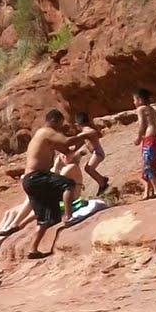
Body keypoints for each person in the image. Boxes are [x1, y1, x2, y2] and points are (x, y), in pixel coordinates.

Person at [19, 110, 82, 259]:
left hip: (31, 180)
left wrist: (81, 140)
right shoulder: (45, 132)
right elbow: (66, 141)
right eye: (60, 124)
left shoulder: (44, 137)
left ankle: (33, 250)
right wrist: (85, 134)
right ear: (54, 120)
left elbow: (68, 151)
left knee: (49, 219)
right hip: (37, 177)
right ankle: (69, 217)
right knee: (68, 184)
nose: (60, 128)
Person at [134, 88, 156, 199]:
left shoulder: (141, 109)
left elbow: (142, 125)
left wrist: (138, 138)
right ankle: (147, 192)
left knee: (148, 166)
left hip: (149, 139)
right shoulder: (151, 109)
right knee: (150, 165)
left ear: (139, 100)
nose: (134, 103)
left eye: (134, 100)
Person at [74, 112, 110, 196]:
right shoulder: (83, 133)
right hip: (96, 153)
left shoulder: (87, 130)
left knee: (89, 168)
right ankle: (102, 181)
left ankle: (102, 182)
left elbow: (92, 132)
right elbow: (76, 145)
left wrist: (81, 135)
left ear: (78, 124)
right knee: (88, 168)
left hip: (98, 152)